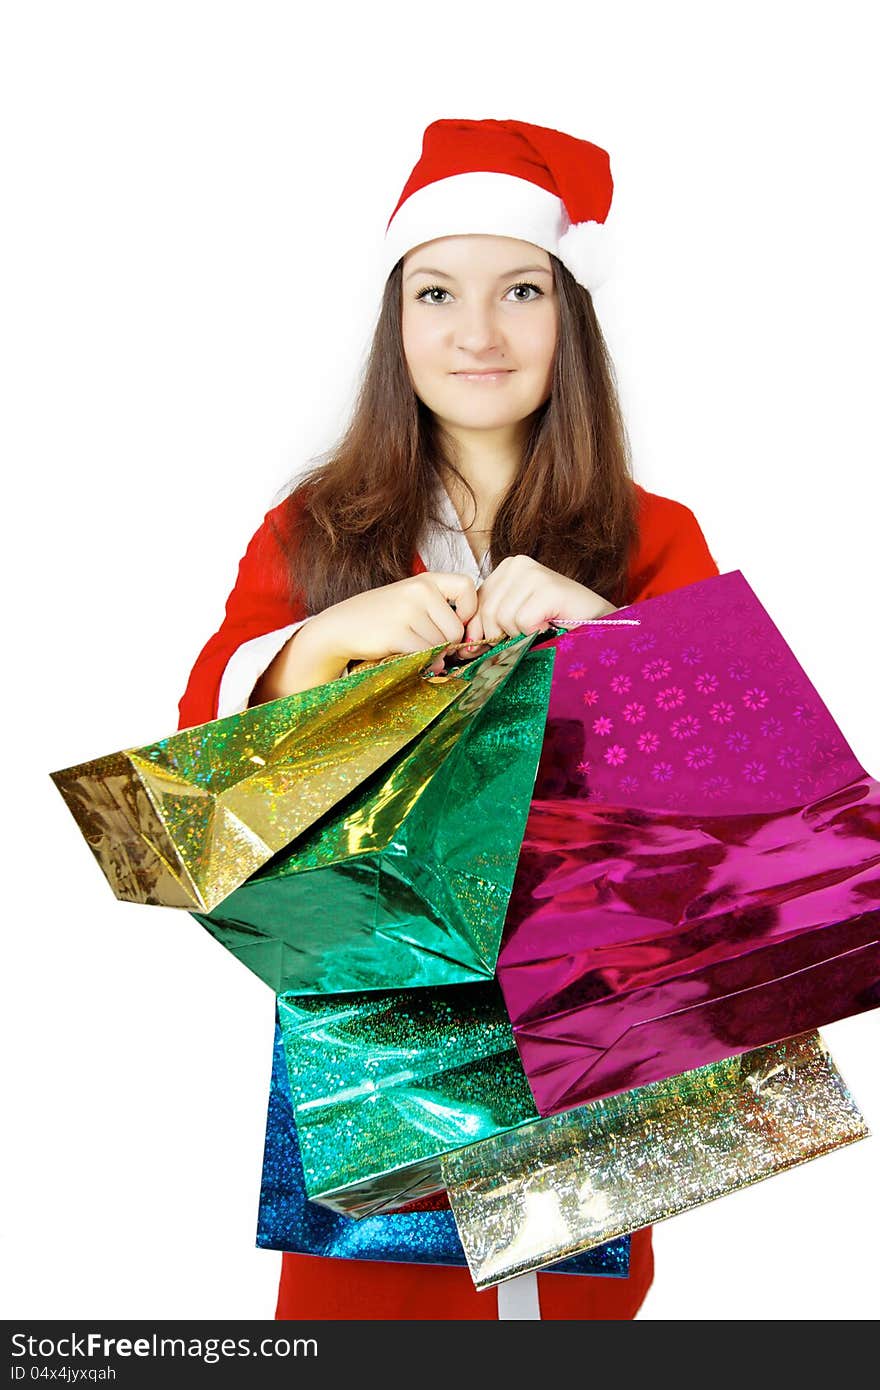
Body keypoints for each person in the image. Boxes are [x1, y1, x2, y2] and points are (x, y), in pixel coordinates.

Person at [178, 117, 720, 1320]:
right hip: (373, 1048)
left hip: (595, 1040)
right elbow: (195, 804)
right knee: (364, 1319)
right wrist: (320, 641)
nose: (475, 333)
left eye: (518, 290)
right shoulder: (311, 533)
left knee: (574, 1317)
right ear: (398, 323)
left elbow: (748, 815)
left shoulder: (655, 534)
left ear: (567, 319)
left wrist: (604, 633)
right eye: (437, 294)